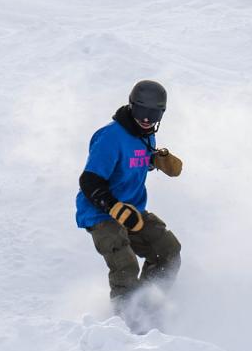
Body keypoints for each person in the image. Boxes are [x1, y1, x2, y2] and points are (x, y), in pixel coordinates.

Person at [76, 79, 184, 325]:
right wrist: (114, 208)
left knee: (168, 251)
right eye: (141, 110)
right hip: (100, 213)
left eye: (153, 114)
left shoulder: (146, 136)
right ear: (132, 106)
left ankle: (148, 306)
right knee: (125, 264)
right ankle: (126, 323)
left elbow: (134, 162)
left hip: (133, 211)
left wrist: (156, 160)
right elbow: (89, 181)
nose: (146, 118)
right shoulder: (110, 137)